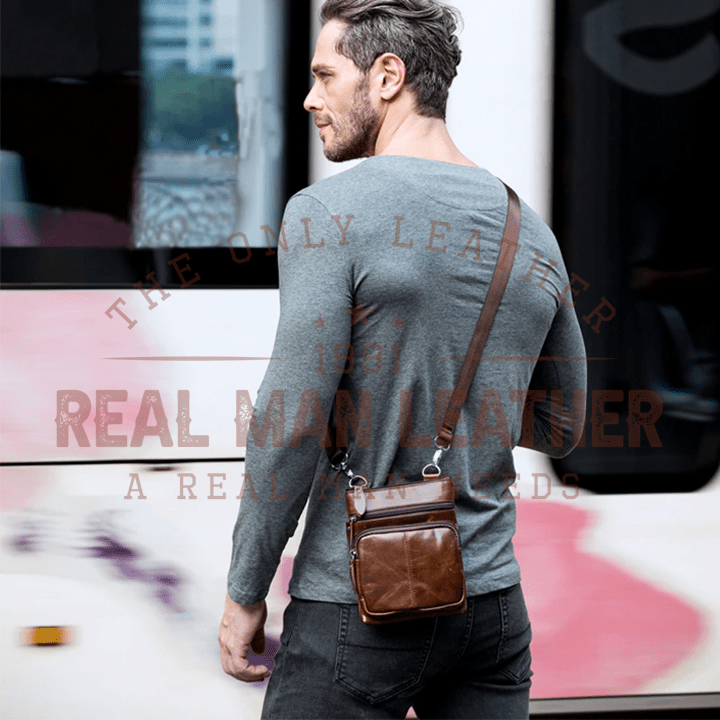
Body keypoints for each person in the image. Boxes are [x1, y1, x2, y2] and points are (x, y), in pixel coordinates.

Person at [219, 1, 586, 717]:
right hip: (493, 610)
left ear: (387, 76)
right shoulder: (531, 230)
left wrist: (245, 589)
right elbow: (561, 426)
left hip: (360, 604)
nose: (310, 98)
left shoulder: (328, 213)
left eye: (325, 75)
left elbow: (290, 424)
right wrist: (455, 401)